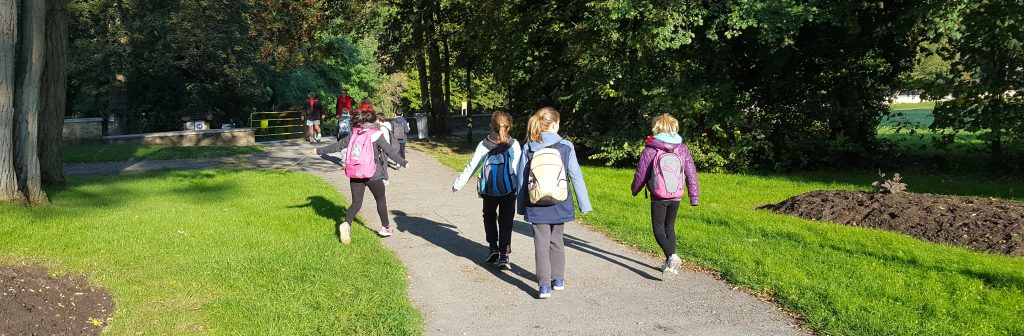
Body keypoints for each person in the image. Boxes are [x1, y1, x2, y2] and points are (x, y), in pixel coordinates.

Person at [516, 107, 592, 299]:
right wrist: (584, 204)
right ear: (555, 124)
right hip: (560, 201)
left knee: (541, 243)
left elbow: (521, 179)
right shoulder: (566, 146)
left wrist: (521, 205)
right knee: (557, 240)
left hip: (536, 203)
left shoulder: (529, 147)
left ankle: (544, 287)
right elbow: (575, 175)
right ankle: (558, 280)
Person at [312, 111, 409, 244]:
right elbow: (389, 151)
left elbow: (338, 146)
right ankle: (386, 228)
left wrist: (319, 151)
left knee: (356, 203)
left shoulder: (354, 133)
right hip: (373, 174)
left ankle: (346, 224)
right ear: (372, 120)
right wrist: (403, 162)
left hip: (355, 172)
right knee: (380, 200)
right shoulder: (376, 134)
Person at [631, 114, 700, 276]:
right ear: (675, 128)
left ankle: (671, 256)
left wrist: (635, 189)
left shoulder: (650, 149)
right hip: (676, 194)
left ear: (656, 128)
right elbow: (691, 173)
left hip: (659, 195)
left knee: (658, 229)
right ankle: (669, 265)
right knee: (670, 227)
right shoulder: (682, 148)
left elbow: (641, 174)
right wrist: (694, 196)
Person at [452, 111, 521, 270]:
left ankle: (493, 247)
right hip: (509, 190)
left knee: (489, 216)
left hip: (489, 190)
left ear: (491, 125)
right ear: (509, 127)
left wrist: (458, 183)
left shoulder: (484, 144)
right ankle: (504, 255)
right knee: (506, 221)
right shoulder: (514, 144)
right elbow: (518, 168)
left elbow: (473, 165)